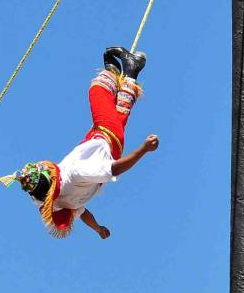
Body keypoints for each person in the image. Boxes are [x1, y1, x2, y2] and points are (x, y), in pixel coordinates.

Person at [16, 47, 159, 237]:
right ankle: (128, 69)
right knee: (97, 93)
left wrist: (98, 228)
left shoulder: (63, 202)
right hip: (106, 135)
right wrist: (144, 149)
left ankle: (125, 71)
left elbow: (83, 213)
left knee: (120, 110)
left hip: (102, 140)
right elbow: (114, 169)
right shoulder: (74, 173)